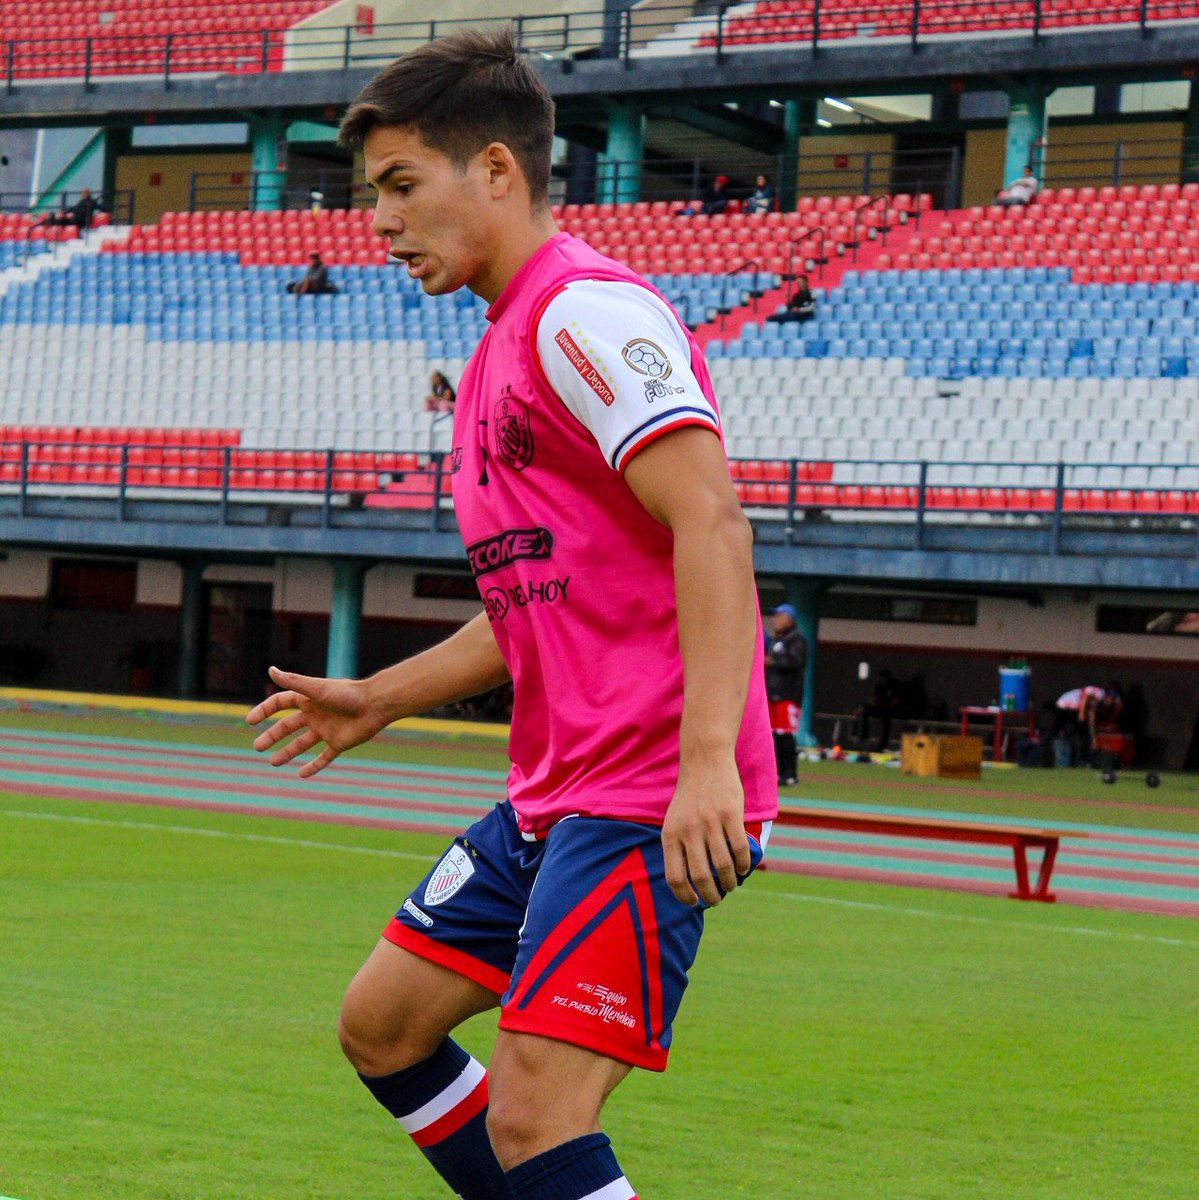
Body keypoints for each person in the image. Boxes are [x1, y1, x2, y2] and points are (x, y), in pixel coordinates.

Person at [246, 27, 777, 1200]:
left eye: (398, 186)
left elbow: (715, 525)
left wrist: (706, 770)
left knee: (537, 1114)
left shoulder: (584, 314)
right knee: (384, 1025)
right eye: (367, 194)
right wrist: (376, 696)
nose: (376, 222)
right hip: (558, 787)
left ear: (495, 170)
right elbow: (540, 606)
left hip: (650, 789)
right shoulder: (495, 353)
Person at [764, 602, 807, 787]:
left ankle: (790, 774)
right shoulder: (777, 639)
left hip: (788, 694)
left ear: (789, 618)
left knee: (785, 734)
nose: (776, 619)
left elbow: (796, 661)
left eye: (779, 615)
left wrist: (773, 661)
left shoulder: (796, 639)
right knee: (774, 735)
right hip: (773, 693)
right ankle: (778, 773)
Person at [1049, 684, 1107, 764]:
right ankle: (1085, 759)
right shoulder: (1100, 694)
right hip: (1069, 707)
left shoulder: (1094, 699)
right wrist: (1082, 713)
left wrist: (1093, 736)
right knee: (1083, 733)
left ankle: (1046, 759)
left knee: (1054, 731)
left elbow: (1091, 716)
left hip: (1060, 705)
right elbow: (1087, 697)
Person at [855, 667, 902, 751]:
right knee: (865, 709)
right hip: (881, 709)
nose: (881, 680)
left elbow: (895, 703)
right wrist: (868, 705)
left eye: (883, 678)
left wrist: (882, 705)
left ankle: (884, 742)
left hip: (892, 711)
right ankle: (863, 738)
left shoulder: (895, 685)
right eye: (880, 679)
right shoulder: (879, 686)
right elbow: (876, 700)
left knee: (886, 716)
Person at [33, 186, 100, 231]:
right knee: (54, 216)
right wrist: (64, 212)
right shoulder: (82, 202)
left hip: (80, 222)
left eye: (85, 193)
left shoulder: (92, 202)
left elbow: (100, 207)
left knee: (60, 220)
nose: (83, 194)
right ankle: (39, 225)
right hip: (74, 220)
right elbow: (74, 208)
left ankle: (41, 225)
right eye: (83, 193)